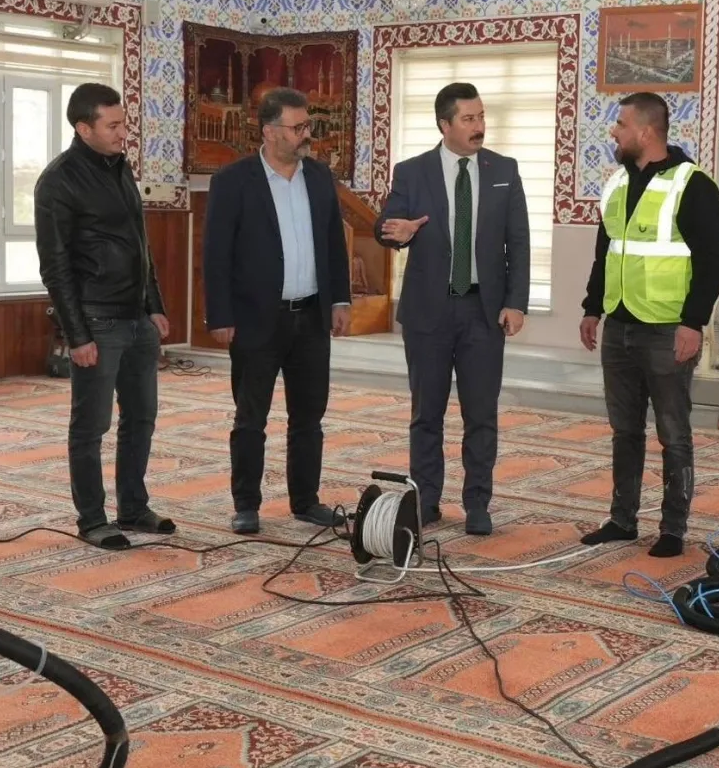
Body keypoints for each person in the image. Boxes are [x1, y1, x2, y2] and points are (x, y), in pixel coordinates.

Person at [374, 82, 530, 536]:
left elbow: (518, 241)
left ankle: (477, 503)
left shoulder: (504, 169)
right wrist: (397, 233)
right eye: (469, 119)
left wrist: (516, 302)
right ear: (445, 124)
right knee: (427, 414)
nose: (479, 126)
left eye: (481, 117)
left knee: (481, 414)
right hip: (429, 311)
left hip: (484, 311)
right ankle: (425, 500)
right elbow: (386, 225)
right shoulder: (412, 172)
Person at [578, 93, 719, 558]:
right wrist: (591, 308)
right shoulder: (617, 184)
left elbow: (713, 263)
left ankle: (673, 529)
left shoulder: (692, 185)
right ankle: (622, 520)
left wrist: (693, 323)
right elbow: (606, 253)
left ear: (645, 132)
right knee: (624, 431)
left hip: (667, 329)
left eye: (621, 124)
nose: (614, 132)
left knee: (673, 434)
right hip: (619, 326)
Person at [204, 87, 351, 535]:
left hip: (311, 317)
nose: (307, 133)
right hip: (255, 319)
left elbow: (334, 243)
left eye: (308, 125)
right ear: (269, 132)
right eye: (297, 126)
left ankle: (306, 501)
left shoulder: (319, 177)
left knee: (309, 417)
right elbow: (216, 253)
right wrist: (220, 315)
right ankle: (246, 504)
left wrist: (340, 300)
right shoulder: (233, 181)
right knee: (251, 418)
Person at [34, 82, 172, 550]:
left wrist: (154, 305)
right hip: (96, 320)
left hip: (136, 320)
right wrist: (76, 335)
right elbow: (55, 266)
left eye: (124, 123)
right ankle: (92, 519)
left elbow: (140, 243)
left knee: (142, 417)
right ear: (84, 128)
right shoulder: (59, 181)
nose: (123, 133)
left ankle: (133, 507)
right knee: (91, 426)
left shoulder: (120, 168)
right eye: (112, 125)